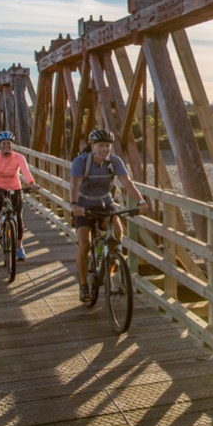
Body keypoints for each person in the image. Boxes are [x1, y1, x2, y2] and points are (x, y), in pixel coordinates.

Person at [70, 128, 146, 302]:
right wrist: (74, 205)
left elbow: (127, 182)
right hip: (83, 205)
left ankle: (110, 261)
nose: (105, 149)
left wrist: (141, 202)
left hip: (105, 203)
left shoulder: (114, 161)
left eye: (107, 146)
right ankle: (83, 286)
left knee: (117, 232)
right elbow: (75, 183)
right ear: (93, 146)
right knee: (84, 244)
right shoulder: (81, 161)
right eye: (101, 145)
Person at [0, 131, 37, 261]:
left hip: (15, 187)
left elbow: (26, 172)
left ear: (12, 144)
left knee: (19, 217)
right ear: (0, 145)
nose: (6, 146)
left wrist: (32, 183)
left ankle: (20, 247)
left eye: (9, 143)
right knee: (0, 200)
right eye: (4, 144)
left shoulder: (19, 158)